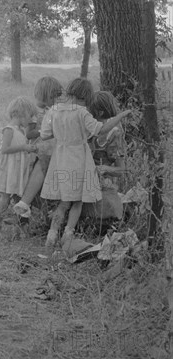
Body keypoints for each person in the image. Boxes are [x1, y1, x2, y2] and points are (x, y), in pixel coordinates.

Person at [40, 78, 131, 251]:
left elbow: (44, 135)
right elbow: (100, 129)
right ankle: (68, 234)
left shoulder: (54, 110)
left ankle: (51, 235)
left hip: (60, 159)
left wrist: (61, 135)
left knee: (64, 201)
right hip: (79, 159)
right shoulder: (82, 113)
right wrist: (121, 115)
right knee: (78, 201)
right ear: (86, 97)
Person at [0, 96, 38, 256]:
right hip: (8, 170)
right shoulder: (9, 130)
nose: (31, 120)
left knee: (20, 200)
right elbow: (5, 149)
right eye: (29, 116)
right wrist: (24, 147)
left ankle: (22, 229)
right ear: (21, 114)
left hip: (15, 169)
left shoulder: (20, 130)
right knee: (5, 199)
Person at [12, 76, 63, 220]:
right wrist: (45, 132)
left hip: (53, 147)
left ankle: (38, 209)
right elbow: (29, 133)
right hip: (38, 146)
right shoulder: (36, 113)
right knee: (41, 161)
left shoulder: (58, 110)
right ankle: (24, 205)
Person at [85, 91, 128, 223]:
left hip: (104, 186)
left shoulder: (114, 133)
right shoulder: (87, 127)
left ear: (99, 113)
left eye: (89, 110)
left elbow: (122, 170)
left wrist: (103, 169)